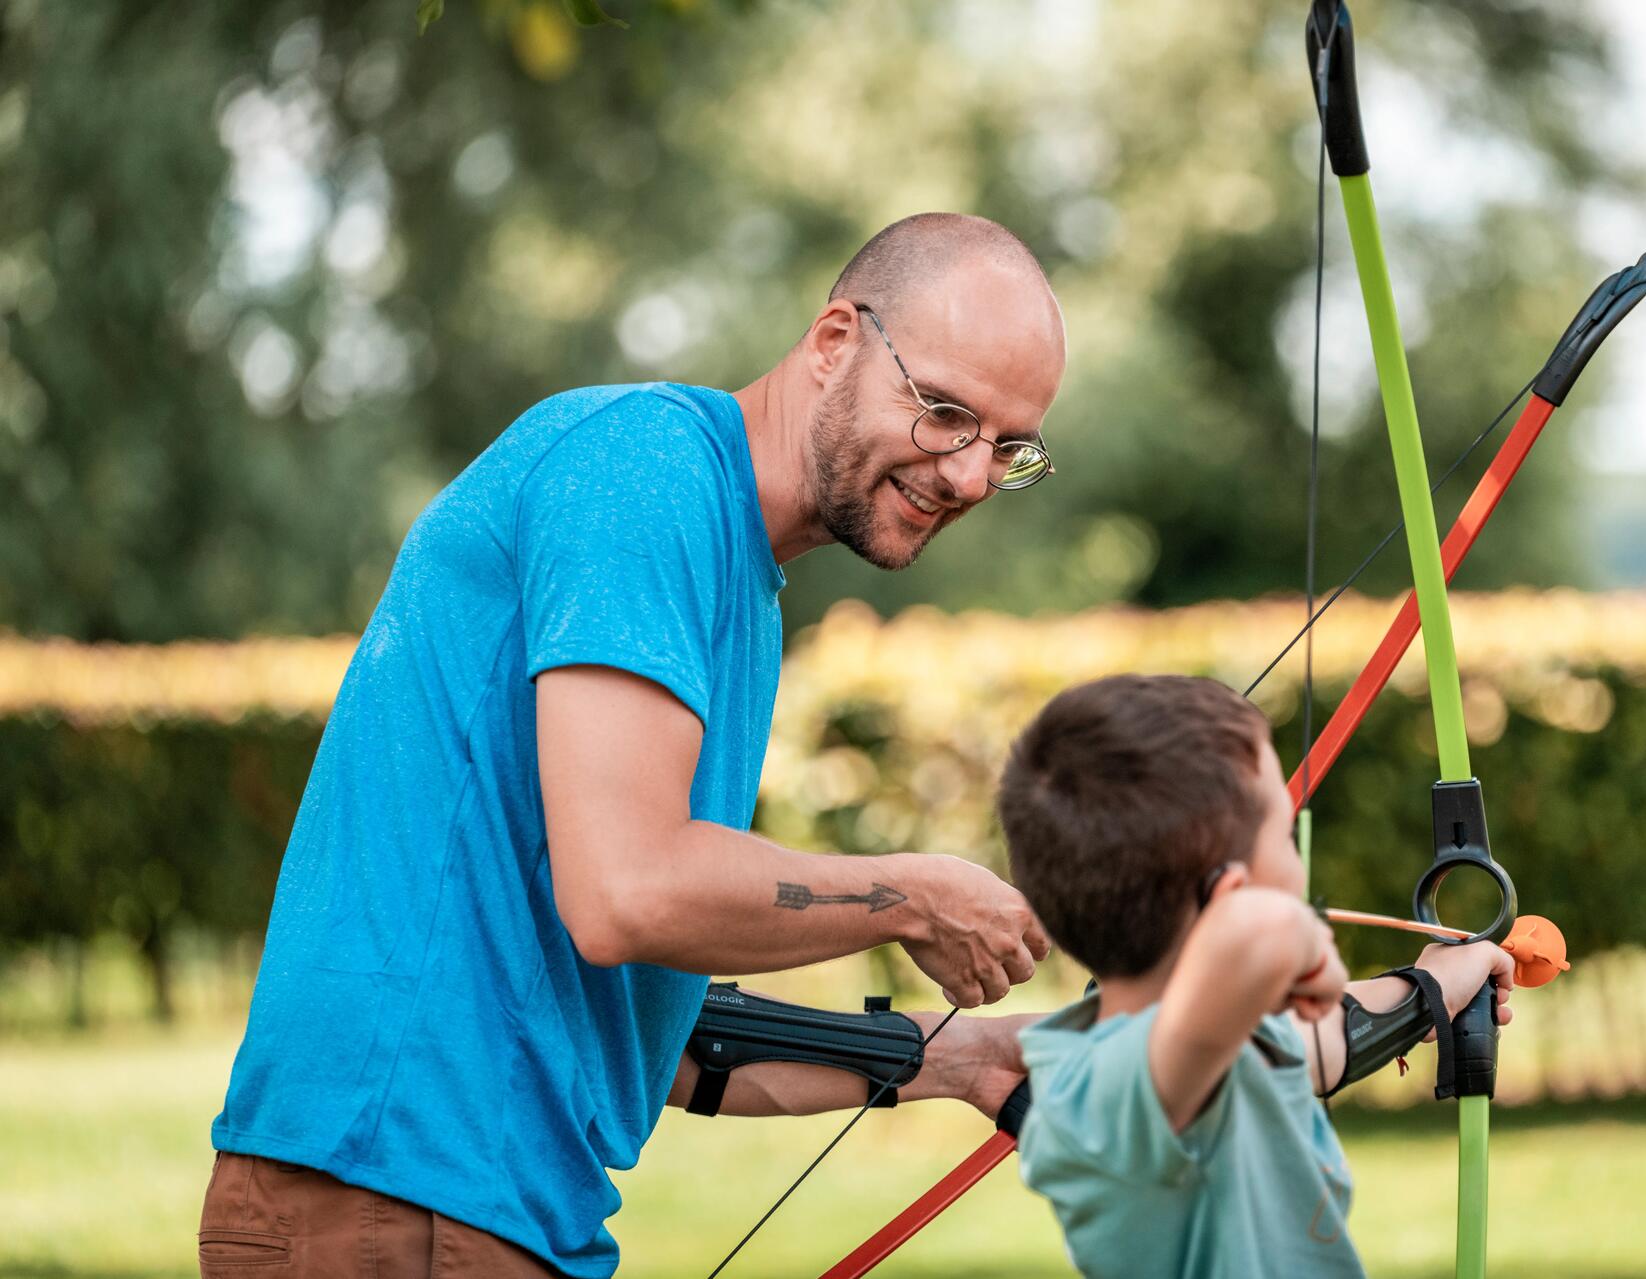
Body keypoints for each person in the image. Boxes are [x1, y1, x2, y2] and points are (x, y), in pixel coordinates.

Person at [200, 214, 1063, 1279]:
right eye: (944, 413)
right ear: (835, 342)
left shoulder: (734, 577)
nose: (973, 475)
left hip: (464, 1213)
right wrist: (914, 895)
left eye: (1009, 448)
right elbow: (627, 893)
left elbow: (659, 1031)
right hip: (398, 1202)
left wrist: (964, 1059)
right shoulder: (646, 473)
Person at [995, 673, 1518, 1278]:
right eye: (1282, 836)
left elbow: (1311, 1045)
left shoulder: (1202, 1042)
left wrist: (1431, 988)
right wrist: (1282, 937)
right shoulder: (1125, 1088)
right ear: (1235, 897)